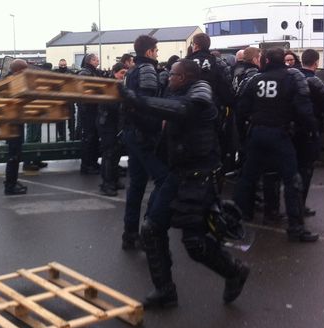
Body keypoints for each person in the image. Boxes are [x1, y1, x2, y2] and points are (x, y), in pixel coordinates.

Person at [119, 59, 250, 308]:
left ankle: (234, 271)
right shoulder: (175, 94)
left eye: (173, 74)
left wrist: (137, 100)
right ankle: (165, 291)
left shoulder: (200, 94)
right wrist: (132, 111)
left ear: (186, 76)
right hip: (177, 174)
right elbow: (157, 122)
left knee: (195, 243)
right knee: (152, 229)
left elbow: (183, 110)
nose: (168, 77)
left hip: (199, 177)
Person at [233, 48, 319, 242]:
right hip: (279, 134)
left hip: (257, 133)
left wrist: (245, 134)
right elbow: (303, 110)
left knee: (247, 178)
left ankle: (235, 218)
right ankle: (296, 228)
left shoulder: (255, 80)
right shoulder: (290, 79)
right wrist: (311, 129)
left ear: (266, 60)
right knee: (292, 180)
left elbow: (241, 109)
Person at [121, 35, 168, 250]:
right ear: (149, 52)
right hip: (144, 135)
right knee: (164, 180)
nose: (157, 54)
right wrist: (153, 131)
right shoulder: (148, 70)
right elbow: (146, 105)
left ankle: (130, 234)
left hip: (132, 133)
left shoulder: (131, 71)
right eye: (156, 50)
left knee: (137, 185)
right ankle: (150, 228)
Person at [186, 33, 234, 176]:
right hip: (211, 114)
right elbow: (227, 91)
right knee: (212, 150)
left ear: (195, 45)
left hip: (187, 113)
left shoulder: (184, 64)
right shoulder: (218, 63)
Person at [296, 49, 324, 216]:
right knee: (306, 170)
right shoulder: (315, 81)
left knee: (293, 169)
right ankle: (300, 207)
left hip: (291, 130)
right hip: (310, 130)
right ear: (316, 62)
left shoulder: (292, 79)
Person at [97, 63, 127, 196]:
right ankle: (107, 183)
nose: (123, 76)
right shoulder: (110, 85)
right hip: (108, 124)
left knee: (115, 153)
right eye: (121, 73)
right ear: (114, 72)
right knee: (109, 154)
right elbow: (111, 105)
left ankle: (113, 180)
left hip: (112, 123)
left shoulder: (116, 85)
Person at [4, 59, 30, 195]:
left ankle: (11, 181)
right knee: (14, 155)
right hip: (13, 122)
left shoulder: (9, 79)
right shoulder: (13, 81)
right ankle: (10, 185)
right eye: (25, 69)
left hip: (14, 120)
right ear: (19, 70)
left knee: (15, 154)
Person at [78, 53, 102, 175]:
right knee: (89, 138)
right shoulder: (85, 73)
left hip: (92, 110)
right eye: (96, 59)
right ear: (91, 61)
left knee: (93, 138)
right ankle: (87, 165)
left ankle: (92, 162)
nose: (98, 61)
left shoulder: (91, 72)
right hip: (88, 111)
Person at [54, 59, 76, 142]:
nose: (63, 67)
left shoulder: (71, 73)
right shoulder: (55, 74)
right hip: (59, 101)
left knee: (71, 120)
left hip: (69, 100)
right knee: (60, 121)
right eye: (61, 65)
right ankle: (62, 136)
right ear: (58, 65)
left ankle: (72, 136)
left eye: (64, 65)